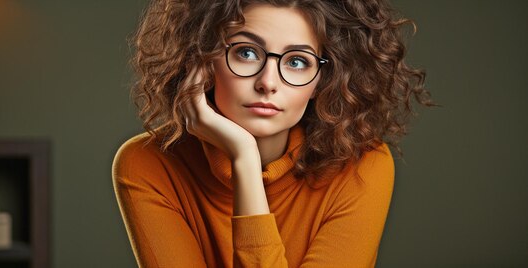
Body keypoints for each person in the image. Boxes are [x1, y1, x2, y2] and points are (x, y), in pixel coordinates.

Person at [112, 0, 433, 267]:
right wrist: (244, 157)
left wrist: (244, 163)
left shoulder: (363, 167)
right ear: (203, 61)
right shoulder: (147, 165)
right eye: (247, 53)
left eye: (296, 61)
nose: (268, 82)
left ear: (321, 81)